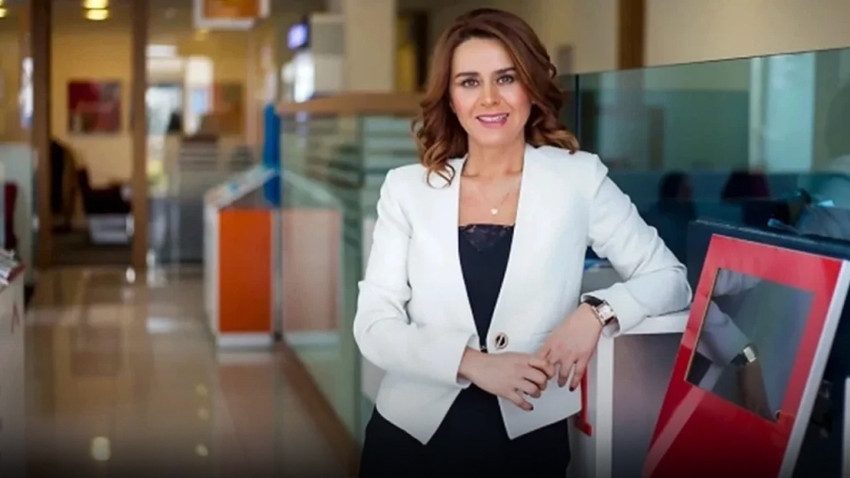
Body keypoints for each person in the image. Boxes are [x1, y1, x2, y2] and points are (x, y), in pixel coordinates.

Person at [353, 8, 692, 477]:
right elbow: (374, 325)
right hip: (409, 440)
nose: (489, 98)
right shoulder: (407, 189)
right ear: (451, 98)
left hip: (528, 440)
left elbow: (669, 278)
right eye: (469, 82)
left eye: (506, 78)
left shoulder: (578, 179)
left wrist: (595, 313)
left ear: (530, 87)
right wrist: (473, 364)